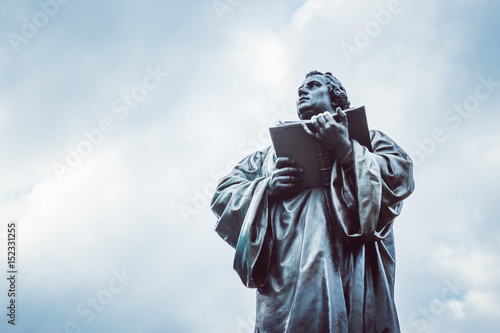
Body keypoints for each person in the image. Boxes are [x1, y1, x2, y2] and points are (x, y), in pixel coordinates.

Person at [211, 70, 415, 332]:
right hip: (289, 278)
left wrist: (346, 150)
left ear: (336, 97)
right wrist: (267, 188)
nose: (301, 92)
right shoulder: (266, 159)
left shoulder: (371, 141)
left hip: (353, 268)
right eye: (299, 89)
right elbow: (223, 195)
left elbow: (400, 175)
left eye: (313, 85)